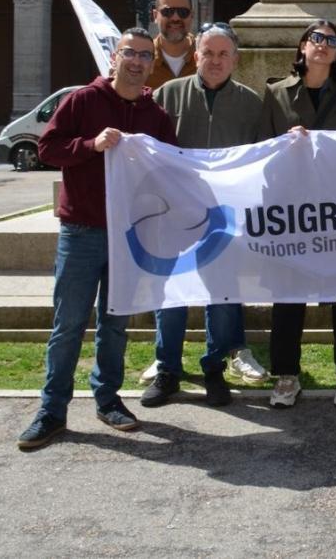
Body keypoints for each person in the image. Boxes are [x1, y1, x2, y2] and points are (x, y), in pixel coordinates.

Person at [16, 28, 177, 450]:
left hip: (128, 236)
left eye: (145, 55)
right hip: (82, 232)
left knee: (115, 324)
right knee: (68, 324)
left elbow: (172, 167)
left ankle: (107, 399)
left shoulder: (155, 115)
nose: (137, 61)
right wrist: (91, 144)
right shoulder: (82, 101)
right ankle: (51, 411)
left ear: (151, 64)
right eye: (130, 53)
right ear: (114, 58)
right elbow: (47, 148)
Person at [139, 22, 269, 409]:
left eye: (223, 54)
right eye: (208, 53)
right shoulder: (166, 95)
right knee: (172, 296)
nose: (215, 60)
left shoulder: (250, 103)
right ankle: (168, 369)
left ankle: (214, 367)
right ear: (196, 55)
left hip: (225, 218)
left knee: (222, 293)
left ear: (235, 59)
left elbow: (262, 157)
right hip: (174, 216)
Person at [261, 19, 336, 409]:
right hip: (292, 213)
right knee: (288, 299)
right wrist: (282, 146)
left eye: (331, 41)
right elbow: (259, 153)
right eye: (316, 38)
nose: (323, 45)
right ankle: (287, 376)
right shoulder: (275, 94)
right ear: (302, 47)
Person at [145, 0, 197, 90]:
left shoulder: (207, 57)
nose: (175, 18)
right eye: (168, 12)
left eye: (183, 12)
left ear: (191, 16)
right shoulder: (141, 60)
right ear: (155, 16)